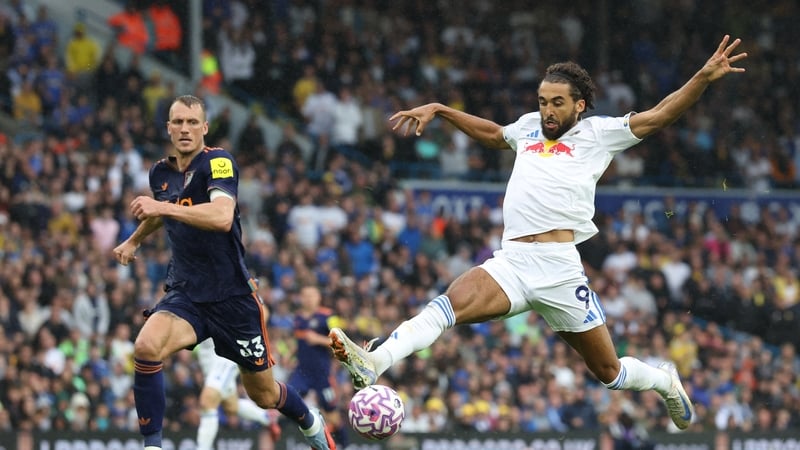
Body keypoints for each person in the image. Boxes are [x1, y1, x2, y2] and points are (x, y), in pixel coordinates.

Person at [329, 35, 748, 431]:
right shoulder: (529, 127)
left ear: (579, 105)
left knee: (609, 372)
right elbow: (495, 135)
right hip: (512, 261)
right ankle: (374, 361)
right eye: (543, 101)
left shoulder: (599, 135)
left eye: (557, 103)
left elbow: (659, 116)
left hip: (560, 269)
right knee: (448, 305)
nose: (547, 110)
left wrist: (702, 77)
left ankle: (663, 381)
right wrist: (440, 109)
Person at [112, 95, 335, 450]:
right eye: (178, 122)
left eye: (191, 122)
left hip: (233, 298)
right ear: (168, 128)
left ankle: (309, 420)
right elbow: (165, 211)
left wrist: (161, 208)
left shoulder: (218, 163)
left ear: (204, 127)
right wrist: (134, 239)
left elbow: (220, 217)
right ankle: (152, 445)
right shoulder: (161, 172)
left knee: (263, 394)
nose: (184, 129)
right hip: (186, 293)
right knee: (146, 346)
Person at [288, 284, 349, 448]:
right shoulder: (298, 318)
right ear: (300, 298)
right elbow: (300, 342)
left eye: (312, 295)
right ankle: (306, 433)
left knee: (333, 413)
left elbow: (342, 343)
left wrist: (318, 339)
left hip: (322, 373)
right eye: (305, 295)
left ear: (319, 298)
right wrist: (290, 355)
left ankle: (344, 443)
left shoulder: (328, 316)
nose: (308, 299)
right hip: (301, 372)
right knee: (287, 398)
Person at [195, 338, 281, 450]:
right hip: (207, 354)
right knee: (231, 407)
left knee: (207, 401)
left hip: (226, 352)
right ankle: (267, 417)